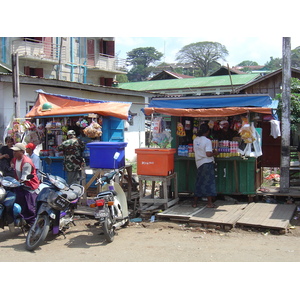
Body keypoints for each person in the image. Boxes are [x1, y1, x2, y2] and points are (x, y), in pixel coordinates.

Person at [10, 143, 40, 226]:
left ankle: (33, 224)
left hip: (29, 186)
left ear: (22, 152)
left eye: (16, 151)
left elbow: (24, 177)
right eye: (13, 151)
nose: (14, 153)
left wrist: (17, 182)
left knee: (30, 207)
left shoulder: (26, 162)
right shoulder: (15, 160)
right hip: (20, 185)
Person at [193, 123, 219, 208]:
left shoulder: (195, 140)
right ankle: (209, 203)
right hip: (206, 163)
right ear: (208, 132)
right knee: (209, 183)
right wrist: (215, 153)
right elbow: (208, 154)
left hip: (199, 163)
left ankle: (195, 203)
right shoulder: (207, 141)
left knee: (199, 182)